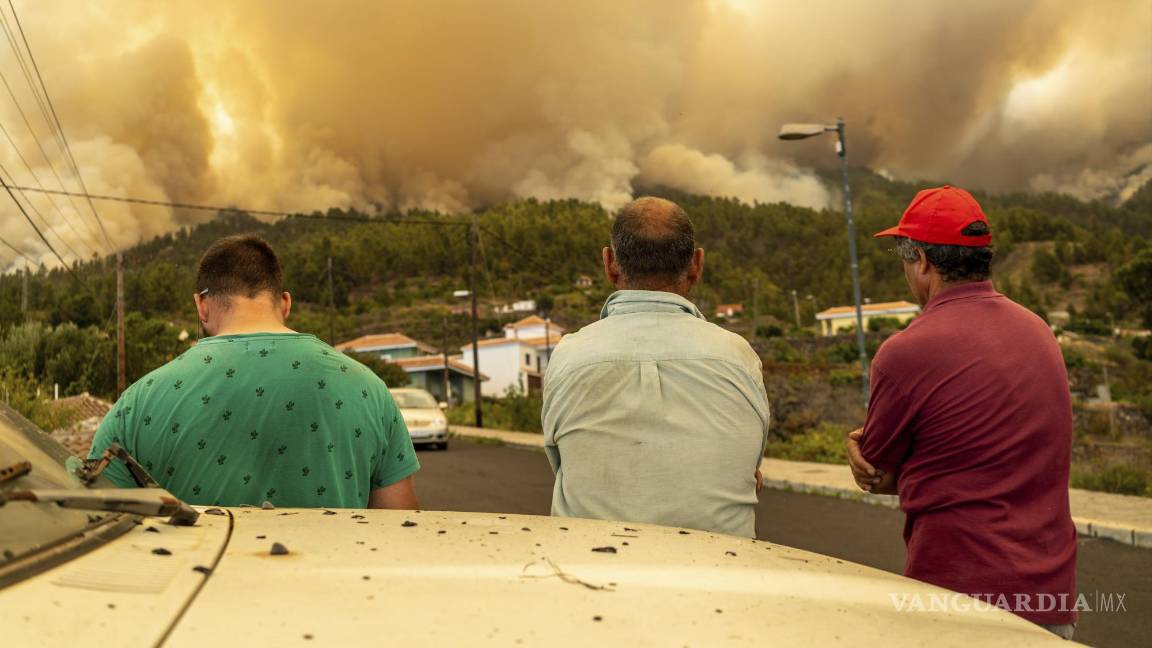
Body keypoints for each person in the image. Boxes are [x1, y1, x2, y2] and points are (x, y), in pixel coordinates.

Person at [847, 185, 1077, 638]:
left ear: (923, 262)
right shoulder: (1038, 331)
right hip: (1052, 599)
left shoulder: (905, 352)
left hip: (960, 601)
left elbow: (878, 473)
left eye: (903, 256)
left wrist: (858, 449)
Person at [89, 234, 419, 509]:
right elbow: (401, 533)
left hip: (199, 585)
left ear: (201, 306)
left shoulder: (138, 402)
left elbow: (93, 521)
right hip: (334, 587)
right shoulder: (368, 389)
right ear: (285, 303)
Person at [542, 197, 770, 538]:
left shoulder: (569, 355)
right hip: (723, 575)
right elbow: (748, 469)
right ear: (697, 265)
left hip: (590, 573)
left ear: (610, 264)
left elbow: (566, 462)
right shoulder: (738, 356)